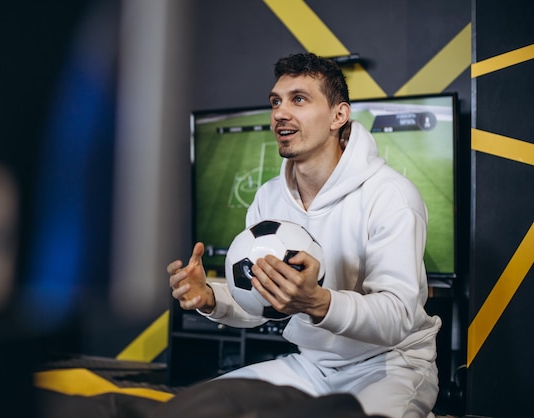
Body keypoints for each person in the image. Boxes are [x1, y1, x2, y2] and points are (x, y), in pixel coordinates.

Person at [167, 52, 441, 418]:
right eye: (275, 101)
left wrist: (317, 302)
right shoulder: (268, 198)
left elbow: (397, 318)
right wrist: (210, 299)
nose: (280, 112)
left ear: (338, 115)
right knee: (192, 411)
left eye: (299, 99)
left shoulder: (392, 195)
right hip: (309, 366)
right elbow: (263, 306)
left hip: (390, 366)